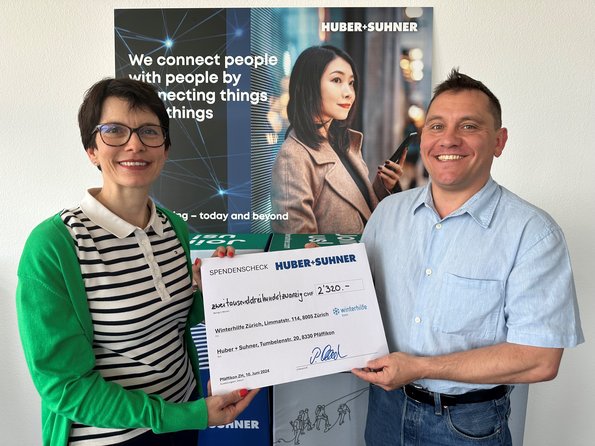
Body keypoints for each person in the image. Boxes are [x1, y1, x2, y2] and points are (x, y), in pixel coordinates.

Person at [16, 78, 258, 446]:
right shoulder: (54, 246)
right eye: (114, 131)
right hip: (113, 438)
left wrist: (209, 292)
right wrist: (180, 416)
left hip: (183, 420)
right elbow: (65, 387)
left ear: (165, 148)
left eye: (149, 131)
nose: (135, 144)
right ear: (91, 149)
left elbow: (168, 321)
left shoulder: (173, 227)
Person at [351, 69, 583, 445]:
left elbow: (540, 358)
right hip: (385, 410)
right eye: (436, 126)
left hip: (467, 426)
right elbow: (352, 302)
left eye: (469, 126)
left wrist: (418, 367)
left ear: (499, 141)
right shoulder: (387, 214)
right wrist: (317, 276)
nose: (448, 139)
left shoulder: (533, 233)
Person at [271, 45, 404, 234]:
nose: (349, 92)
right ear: (308, 86)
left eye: (351, 83)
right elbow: (297, 244)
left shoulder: (343, 142)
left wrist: (383, 187)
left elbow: (360, 211)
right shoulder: (292, 157)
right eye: (336, 80)